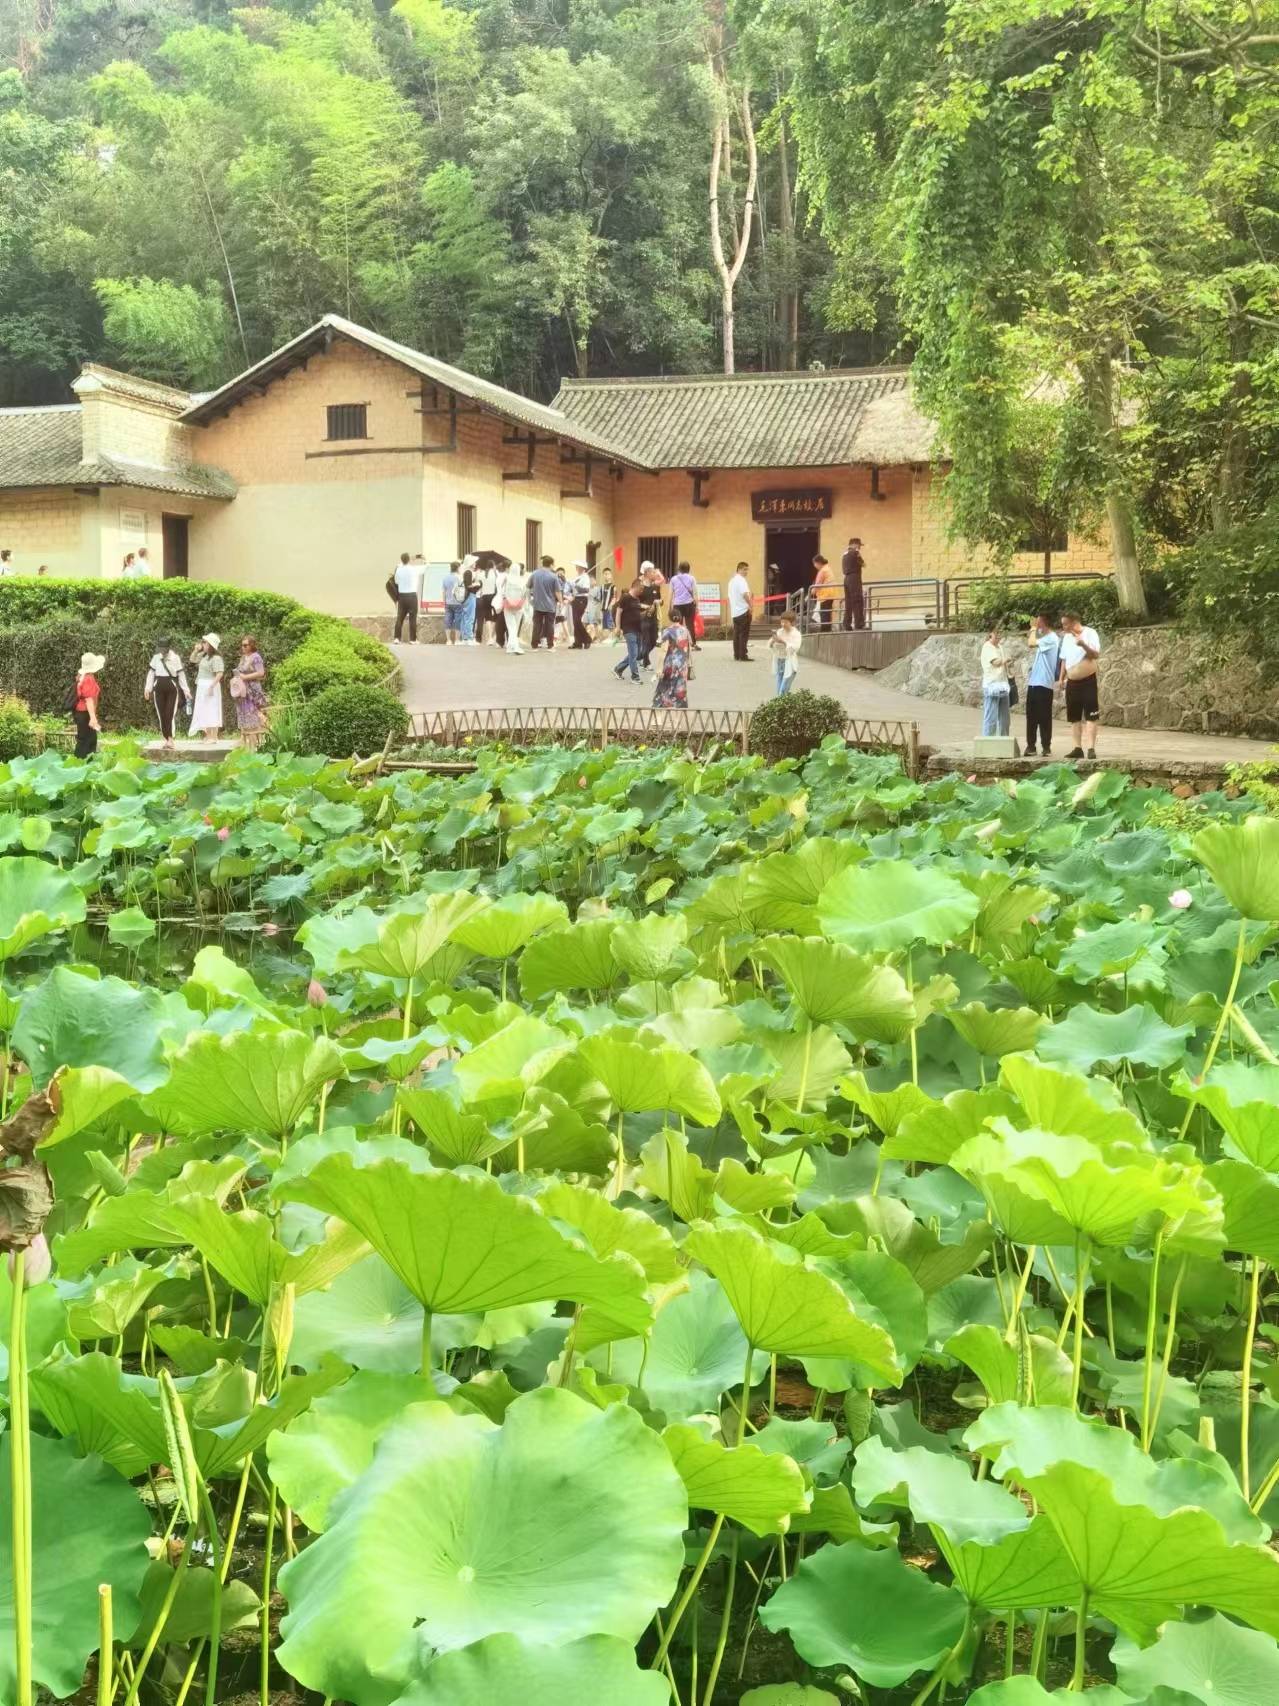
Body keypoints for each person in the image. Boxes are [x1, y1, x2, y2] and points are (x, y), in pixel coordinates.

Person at [1059, 610, 1102, 760]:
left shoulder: (1090, 633)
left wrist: (1083, 644)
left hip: (1088, 680)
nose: (1063, 626)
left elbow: (1095, 655)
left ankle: (1091, 748)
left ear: (1074, 621)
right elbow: (1063, 659)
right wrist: (1061, 678)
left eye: (1065, 623)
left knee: (1091, 714)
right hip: (1072, 682)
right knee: (1074, 717)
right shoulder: (1066, 638)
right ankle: (1077, 748)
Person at [1024, 613, 1061, 758]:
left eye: (1038, 622)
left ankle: (1046, 747)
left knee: (1044, 716)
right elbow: (1032, 638)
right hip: (1034, 683)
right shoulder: (1045, 637)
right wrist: (1033, 629)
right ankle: (1031, 746)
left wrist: (1033, 628)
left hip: (1044, 684)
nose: (1035, 624)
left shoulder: (1052, 638)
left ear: (1043, 623)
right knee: (1031, 716)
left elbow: (1031, 642)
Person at [144, 638, 191, 745]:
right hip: (158, 688)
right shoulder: (156, 657)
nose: (161, 651)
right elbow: (151, 673)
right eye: (160, 649)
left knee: (169, 713)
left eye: (163, 649)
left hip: (171, 688)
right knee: (161, 714)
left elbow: (181, 675)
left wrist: (186, 690)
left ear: (168, 648)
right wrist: (148, 688)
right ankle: (166, 738)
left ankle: (170, 738)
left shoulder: (175, 658)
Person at [232, 635, 268, 750]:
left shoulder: (256, 657)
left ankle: (256, 741)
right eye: (242, 645)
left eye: (245, 645)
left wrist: (245, 677)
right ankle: (244, 739)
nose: (243, 647)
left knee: (254, 713)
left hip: (252, 689)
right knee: (243, 713)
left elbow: (261, 672)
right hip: (242, 690)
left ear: (251, 645)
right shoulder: (243, 658)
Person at [189, 633, 225, 740]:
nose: (202, 644)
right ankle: (208, 735)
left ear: (210, 645)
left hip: (210, 685)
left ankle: (213, 736)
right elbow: (192, 659)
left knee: (212, 709)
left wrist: (211, 686)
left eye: (205, 642)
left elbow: (219, 673)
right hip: (202, 685)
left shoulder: (216, 658)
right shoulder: (204, 656)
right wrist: (196, 650)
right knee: (204, 710)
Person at [652, 613, 692, 708]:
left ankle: (659, 714)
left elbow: (661, 647)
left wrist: (659, 667)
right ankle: (678, 715)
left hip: (670, 664)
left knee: (663, 687)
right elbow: (690, 646)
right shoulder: (686, 630)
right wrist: (689, 663)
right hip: (683, 664)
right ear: (680, 618)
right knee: (680, 688)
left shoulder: (668, 631)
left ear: (670, 618)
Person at [980, 626, 1012, 737]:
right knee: (991, 717)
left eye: (1000, 634)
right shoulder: (987, 647)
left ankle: (1004, 739)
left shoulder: (1000, 647)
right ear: (990, 634)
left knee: (1005, 718)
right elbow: (996, 662)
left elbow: (1004, 664)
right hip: (991, 685)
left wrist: (1010, 671)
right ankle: (988, 741)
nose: (998, 636)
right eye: (996, 634)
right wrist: (1006, 660)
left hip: (1003, 684)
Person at [612, 580, 645, 684]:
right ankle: (635, 677)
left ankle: (618, 669)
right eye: (641, 589)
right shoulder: (626, 597)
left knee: (636, 653)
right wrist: (618, 627)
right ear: (635, 587)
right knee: (634, 653)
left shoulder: (637, 599)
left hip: (638, 629)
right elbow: (618, 612)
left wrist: (647, 612)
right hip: (628, 630)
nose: (642, 591)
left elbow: (638, 614)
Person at [73, 651, 104, 759]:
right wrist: (93, 718)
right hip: (85, 713)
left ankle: (82, 765)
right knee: (86, 742)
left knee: (86, 740)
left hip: (81, 713)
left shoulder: (82, 676)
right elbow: (89, 700)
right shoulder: (89, 678)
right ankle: (79, 765)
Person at [528, 555, 560, 649]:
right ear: (550, 565)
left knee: (537, 625)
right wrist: (561, 601)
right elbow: (557, 591)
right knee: (550, 625)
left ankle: (534, 645)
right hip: (550, 605)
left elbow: (528, 586)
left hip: (537, 604)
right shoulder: (554, 576)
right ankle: (550, 645)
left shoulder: (535, 574)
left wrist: (530, 599)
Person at [769, 610, 803, 696]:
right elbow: (771, 646)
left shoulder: (796, 634)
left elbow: (795, 648)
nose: (783, 624)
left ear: (792, 622)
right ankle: (783, 708)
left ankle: (783, 707)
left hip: (790, 664)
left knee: (783, 691)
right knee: (779, 691)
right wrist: (773, 641)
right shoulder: (780, 631)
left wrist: (783, 642)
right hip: (780, 662)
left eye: (786, 622)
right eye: (782, 622)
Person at [669, 560, 700, 651]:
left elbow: (670, 594)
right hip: (689, 604)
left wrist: (670, 607)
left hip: (677, 605)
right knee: (690, 625)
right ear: (688, 569)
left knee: (678, 624)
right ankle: (693, 644)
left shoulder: (673, 579)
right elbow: (695, 593)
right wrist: (697, 606)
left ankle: (679, 644)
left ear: (679, 569)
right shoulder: (691, 578)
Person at [637, 564, 664, 669]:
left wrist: (659, 601)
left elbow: (661, 601)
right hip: (643, 617)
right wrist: (647, 607)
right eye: (653, 572)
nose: (655, 574)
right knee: (646, 641)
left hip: (653, 618)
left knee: (654, 640)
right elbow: (635, 603)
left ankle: (638, 658)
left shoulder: (656, 587)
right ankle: (646, 662)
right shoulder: (640, 587)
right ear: (647, 573)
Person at [391, 551, 420, 644]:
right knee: (413, 618)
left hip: (402, 596)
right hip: (412, 596)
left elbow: (396, 581)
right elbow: (427, 566)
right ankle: (412, 639)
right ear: (409, 559)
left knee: (399, 617)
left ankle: (396, 638)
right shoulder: (414, 569)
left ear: (401, 560)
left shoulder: (399, 569)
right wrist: (421, 558)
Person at [502, 562, 529, 653]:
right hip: (519, 606)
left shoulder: (506, 579)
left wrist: (506, 598)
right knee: (515, 627)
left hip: (508, 606)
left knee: (510, 627)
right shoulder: (522, 580)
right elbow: (525, 594)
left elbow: (502, 592)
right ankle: (514, 647)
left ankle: (511, 647)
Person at [728, 562, 753, 661]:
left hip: (735, 611)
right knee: (743, 635)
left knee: (736, 634)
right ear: (738, 569)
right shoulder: (741, 580)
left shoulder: (731, 581)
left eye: (747, 569)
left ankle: (736, 654)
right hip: (743, 610)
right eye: (744, 569)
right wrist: (750, 605)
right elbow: (744, 594)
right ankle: (743, 655)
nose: (746, 572)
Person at [442, 560, 468, 647]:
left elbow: (443, 591)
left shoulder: (445, 578)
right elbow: (463, 590)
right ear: (457, 568)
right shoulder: (459, 578)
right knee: (458, 621)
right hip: (458, 603)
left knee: (448, 621)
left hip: (448, 602)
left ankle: (448, 640)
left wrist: (444, 602)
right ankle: (457, 640)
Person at [841, 537, 866, 630]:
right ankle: (859, 624)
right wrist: (858, 555)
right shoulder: (855, 553)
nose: (860, 547)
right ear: (854, 544)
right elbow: (863, 564)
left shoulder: (844, 554)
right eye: (859, 545)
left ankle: (846, 624)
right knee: (858, 601)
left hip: (846, 579)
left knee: (848, 602)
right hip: (854, 578)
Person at [476, 558, 500, 646]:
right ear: (493, 566)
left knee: (488, 617)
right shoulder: (496, 573)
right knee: (496, 616)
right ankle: (494, 637)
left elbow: (478, 585)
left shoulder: (481, 574)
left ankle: (489, 638)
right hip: (494, 596)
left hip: (484, 596)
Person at [570, 562, 593, 649]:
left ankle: (587, 639)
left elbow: (586, 590)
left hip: (582, 599)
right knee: (575, 622)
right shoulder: (577, 577)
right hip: (575, 599)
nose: (577, 568)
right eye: (577, 567)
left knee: (577, 621)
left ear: (583, 568)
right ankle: (578, 642)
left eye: (579, 567)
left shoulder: (585, 577)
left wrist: (576, 587)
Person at [811, 554, 837, 631]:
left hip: (825, 595)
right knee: (827, 613)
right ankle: (827, 629)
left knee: (824, 614)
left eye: (814, 564)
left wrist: (812, 591)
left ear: (818, 562)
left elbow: (818, 584)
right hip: (831, 594)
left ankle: (824, 630)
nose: (814, 566)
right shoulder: (827, 568)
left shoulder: (822, 571)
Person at [583, 570, 604, 642]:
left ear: (595, 581)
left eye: (592, 580)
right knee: (585, 622)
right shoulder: (587, 589)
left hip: (595, 608)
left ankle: (597, 637)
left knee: (595, 624)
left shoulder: (598, 589)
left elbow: (599, 599)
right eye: (589, 580)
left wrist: (593, 596)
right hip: (587, 607)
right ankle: (587, 636)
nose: (591, 582)